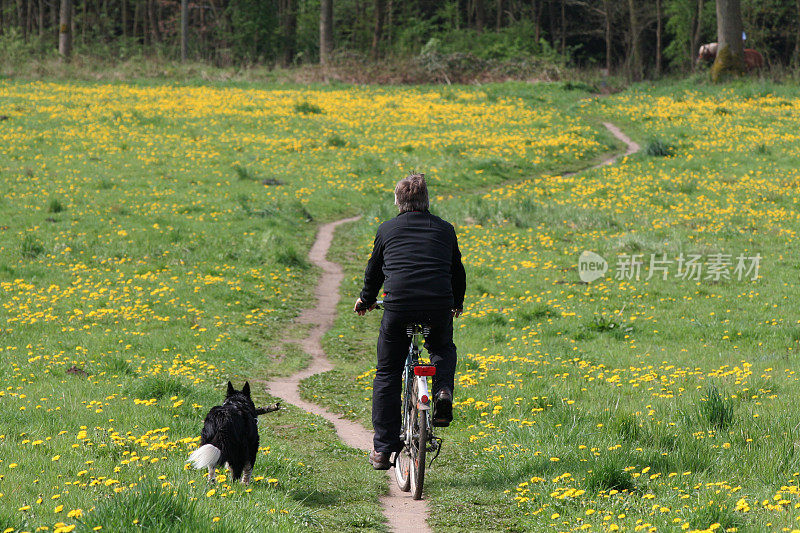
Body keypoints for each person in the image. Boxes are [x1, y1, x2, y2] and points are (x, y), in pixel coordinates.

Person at [353, 173, 466, 470]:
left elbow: (373, 272)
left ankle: (383, 448)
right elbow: (457, 271)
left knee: (388, 372)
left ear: (398, 202)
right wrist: (457, 303)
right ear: (427, 200)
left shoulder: (387, 229)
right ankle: (442, 390)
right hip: (438, 304)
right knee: (441, 347)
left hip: (398, 305)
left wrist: (365, 300)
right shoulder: (445, 230)